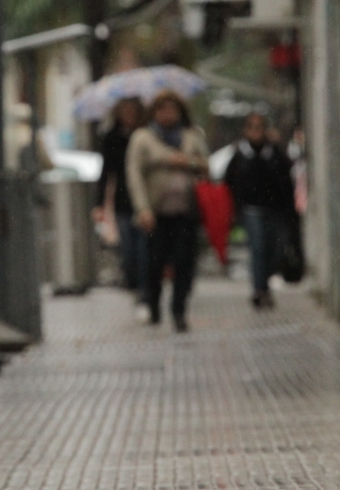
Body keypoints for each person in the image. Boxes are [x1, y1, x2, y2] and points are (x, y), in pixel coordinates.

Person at [125, 90, 208, 333]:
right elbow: (134, 175)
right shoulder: (142, 138)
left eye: (172, 109)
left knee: (184, 263)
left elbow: (205, 165)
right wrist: (142, 209)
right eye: (162, 109)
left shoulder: (191, 136)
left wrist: (188, 163)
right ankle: (153, 305)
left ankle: (179, 310)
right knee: (153, 263)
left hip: (185, 211)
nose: (167, 114)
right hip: (156, 212)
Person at [224, 113, 295, 309]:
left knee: (275, 250)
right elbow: (229, 183)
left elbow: (287, 180)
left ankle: (265, 283)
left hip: (275, 210)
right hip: (251, 210)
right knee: (258, 249)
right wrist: (237, 207)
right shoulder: (240, 155)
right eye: (252, 127)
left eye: (259, 127)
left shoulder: (275, 153)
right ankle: (259, 290)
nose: (256, 132)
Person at [92, 97, 146, 303]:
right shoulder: (112, 137)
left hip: (145, 200)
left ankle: (145, 289)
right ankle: (133, 283)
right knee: (128, 249)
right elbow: (106, 173)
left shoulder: (146, 135)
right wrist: (99, 204)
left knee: (144, 249)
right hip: (123, 201)